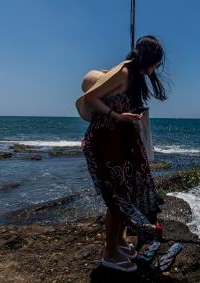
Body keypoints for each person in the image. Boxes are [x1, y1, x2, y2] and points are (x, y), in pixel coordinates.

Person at [76, 35, 168, 272]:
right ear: (149, 58)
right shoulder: (125, 73)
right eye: (156, 61)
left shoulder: (134, 76)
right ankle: (110, 253)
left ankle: (118, 242)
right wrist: (117, 116)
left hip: (118, 141)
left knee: (123, 196)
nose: (156, 67)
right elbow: (91, 98)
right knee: (117, 199)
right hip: (105, 141)